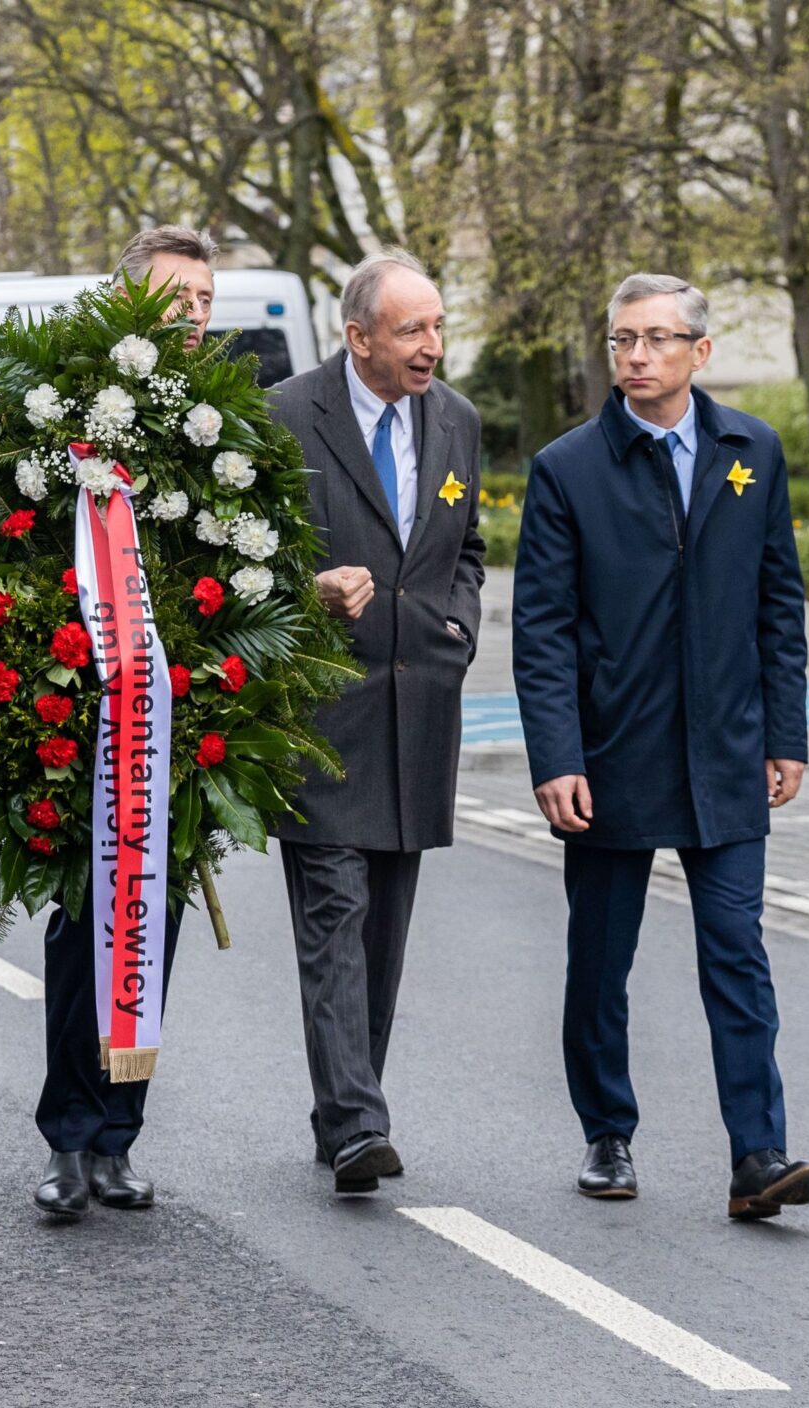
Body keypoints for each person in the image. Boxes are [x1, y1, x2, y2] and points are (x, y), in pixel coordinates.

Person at [511, 273, 809, 1222]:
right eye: (623, 341)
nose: (638, 356)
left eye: (657, 339)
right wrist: (557, 755)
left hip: (727, 752)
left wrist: (786, 733)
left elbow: (780, 603)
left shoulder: (751, 452)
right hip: (612, 759)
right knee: (601, 960)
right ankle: (607, 1132)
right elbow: (544, 629)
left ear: (701, 350)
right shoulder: (568, 467)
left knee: (737, 952)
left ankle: (757, 1153)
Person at [263, 248, 484, 1194]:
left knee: (384, 929)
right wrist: (305, 592)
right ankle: (359, 1123)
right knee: (334, 912)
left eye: (436, 326)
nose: (431, 345)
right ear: (358, 339)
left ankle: (343, 1110)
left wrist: (457, 628)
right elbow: (244, 563)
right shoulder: (282, 417)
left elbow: (466, 547)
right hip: (322, 714)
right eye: (410, 330)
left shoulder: (459, 422)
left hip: (419, 708)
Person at [26, 225, 222, 1224]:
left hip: (178, 719)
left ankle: (117, 1136)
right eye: (172, 296)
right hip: (85, 712)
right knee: (83, 927)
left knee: (157, 918)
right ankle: (66, 1134)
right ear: (123, 302)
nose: (192, 312)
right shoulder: (67, 417)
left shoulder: (220, 423)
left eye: (203, 296)